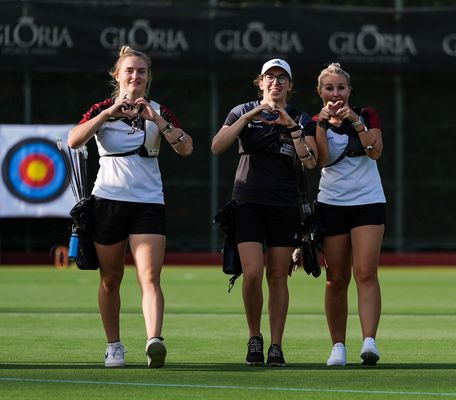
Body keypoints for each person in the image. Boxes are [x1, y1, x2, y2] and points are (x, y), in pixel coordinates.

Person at [67, 45, 193, 368]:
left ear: (148, 77)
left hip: (148, 202)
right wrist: (108, 114)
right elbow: (73, 140)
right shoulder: (103, 108)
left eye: (142, 71)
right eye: (129, 71)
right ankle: (114, 346)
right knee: (110, 279)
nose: (135, 76)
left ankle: (154, 340)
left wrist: (159, 122)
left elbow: (186, 148)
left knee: (150, 277)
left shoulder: (159, 110)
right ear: (118, 75)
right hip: (107, 201)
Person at [211, 59, 317, 367]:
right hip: (247, 203)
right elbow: (218, 145)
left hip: (284, 205)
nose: (275, 83)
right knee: (253, 272)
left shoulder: (300, 117)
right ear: (260, 82)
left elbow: (311, 162)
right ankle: (254, 337)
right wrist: (250, 117)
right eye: (270, 77)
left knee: (278, 276)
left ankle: (276, 346)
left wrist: (292, 127)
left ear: (290, 85)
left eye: (282, 78)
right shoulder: (241, 111)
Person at [314, 63, 386, 367]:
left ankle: (369, 341)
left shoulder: (366, 114)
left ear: (349, 90)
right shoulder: (314, 121)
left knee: (366, 271)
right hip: (331, 204)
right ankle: (338, 346)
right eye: (329, 88)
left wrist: (355, 120)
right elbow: (323, 160)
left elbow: (375, 150)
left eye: (340, 88)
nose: (335, 94)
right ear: (320, 92)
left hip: (368, 201)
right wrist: (323, 124)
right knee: (336, 278)